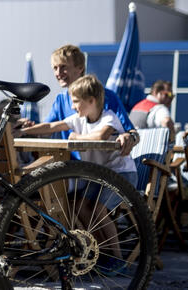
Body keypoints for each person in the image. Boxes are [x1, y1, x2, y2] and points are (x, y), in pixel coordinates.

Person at [19, 74, 138, 263]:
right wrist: (22, 130)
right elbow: (51, 126)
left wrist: (75, 137)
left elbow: (99, 137)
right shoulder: (79, 119)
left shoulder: (109, 118)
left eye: (76, 102)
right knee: (76, 205)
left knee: (98, 209)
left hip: (121, 175)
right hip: (99, 176)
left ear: (91, 101)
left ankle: (117, 258)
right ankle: (102, 250)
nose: (73, 106)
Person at [26, 44, 138, 155]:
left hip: (103, 169)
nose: (58, 73)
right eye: (55, 68)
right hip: (71, 166)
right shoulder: (60, 100)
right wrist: (25, 128)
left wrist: (130, 137)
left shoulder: (106, 96)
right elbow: (47, 129)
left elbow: (132, 132)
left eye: (63, 67)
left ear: (80, 68)